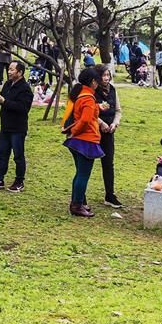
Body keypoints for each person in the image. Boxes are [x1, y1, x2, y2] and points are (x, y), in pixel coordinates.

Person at [0, 58, 32, 192]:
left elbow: (23, 108)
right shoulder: (7, 84)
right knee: (2, 153)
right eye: (9, 69)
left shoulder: (25, 89)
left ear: (20, 72)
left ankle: (19, 181)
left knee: (18, 156)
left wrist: (5, 102)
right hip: (5, 126)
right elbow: (3, 100)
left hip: (18, 128)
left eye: (12, 69)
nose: (9, 72)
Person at [62, 66, 104, 217]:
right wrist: (74, 131)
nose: (98, 84)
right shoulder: (88, 97)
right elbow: (85, 120)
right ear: (93, 82)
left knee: (79, 173)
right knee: (83, 174)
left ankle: (76, 202)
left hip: (78, 141)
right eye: (97, 81)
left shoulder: (81, 95)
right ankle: (77, 205)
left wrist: (97, 107)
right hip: (86, 140)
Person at [94, 63, 123, 208]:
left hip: (109, 132)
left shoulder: (112, 89)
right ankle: (80, 197)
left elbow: (118, 110)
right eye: (103, 75)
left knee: (108, 163)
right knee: (88, 163)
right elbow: (89, 112)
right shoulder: (93, 91)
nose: (106, 78)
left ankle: (110, 195)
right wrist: (101, 123)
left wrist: (115, 123)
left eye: (108, 75)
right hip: (94, 131)